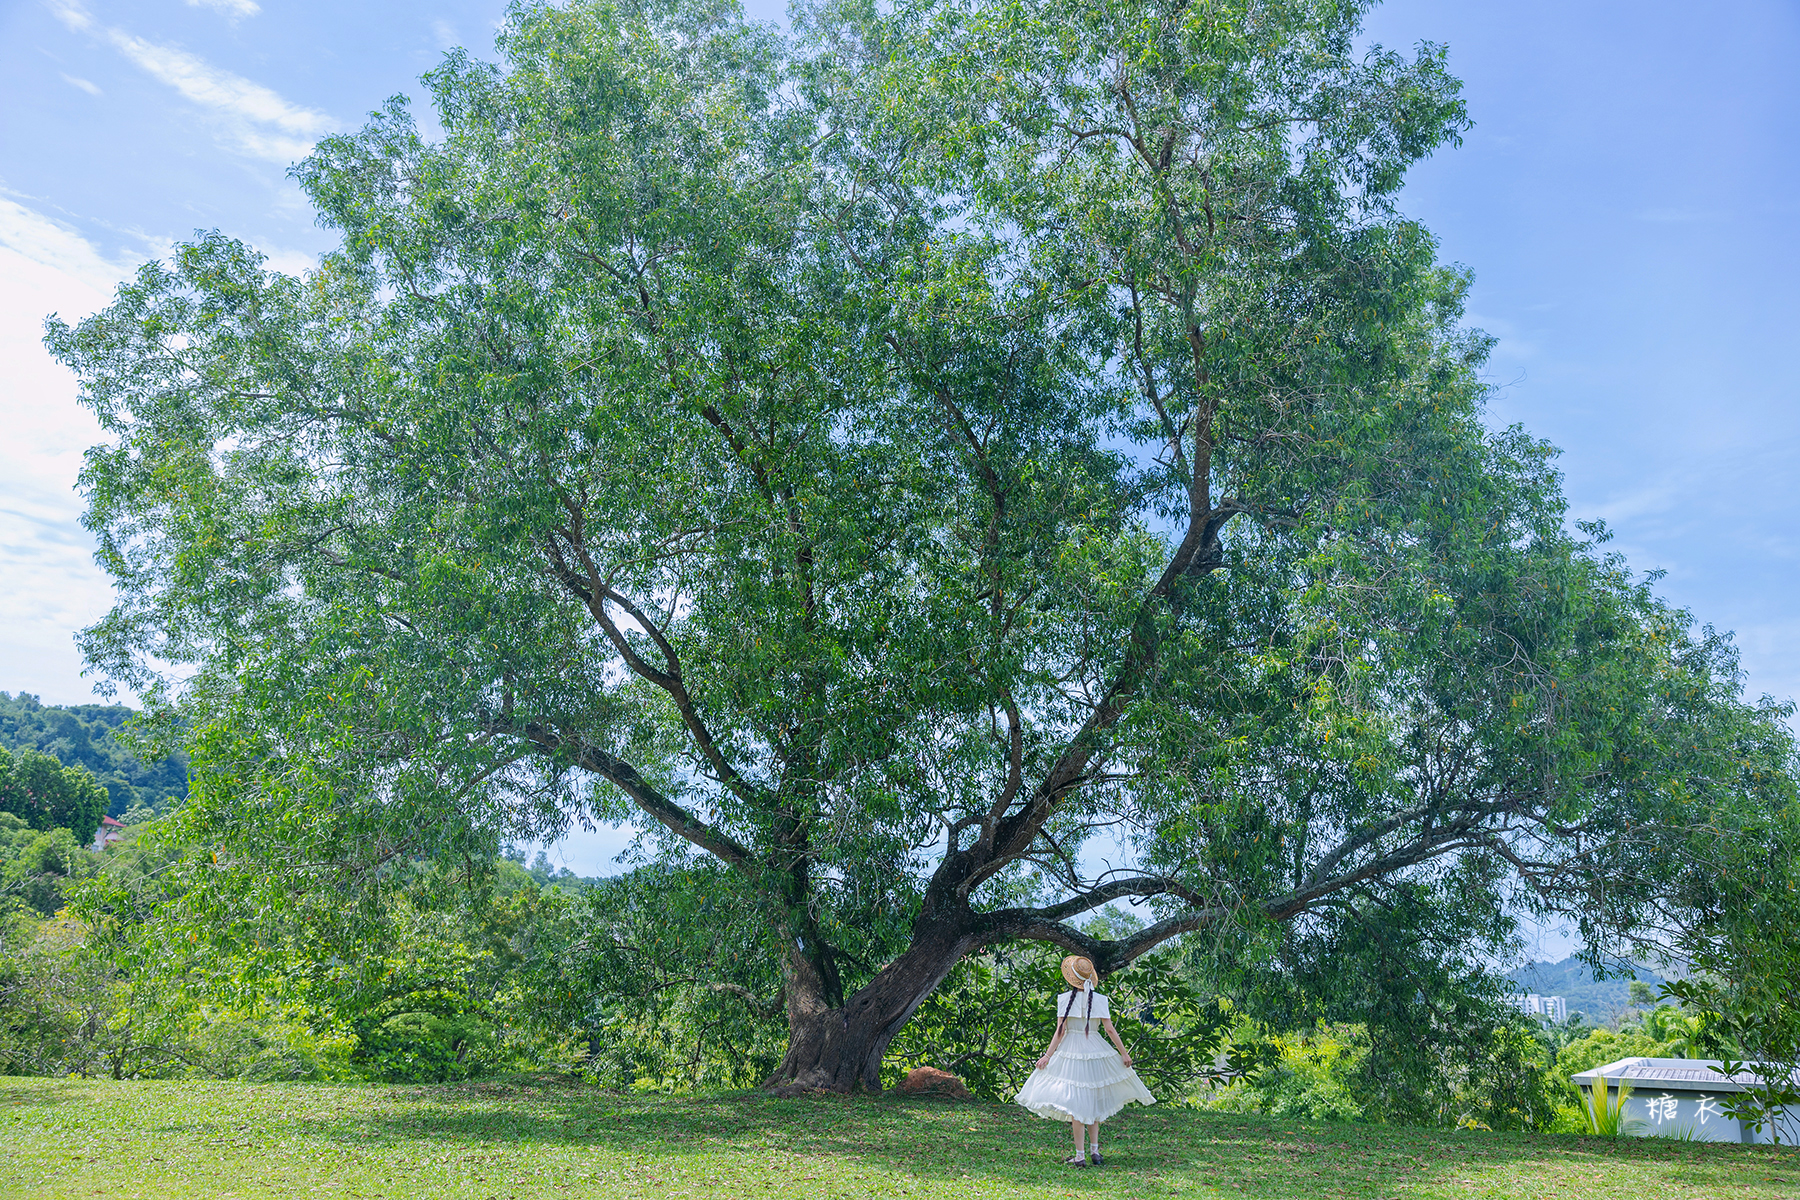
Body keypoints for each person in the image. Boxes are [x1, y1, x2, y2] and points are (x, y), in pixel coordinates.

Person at [1014, 955, 1156, 1166]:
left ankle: (1080, 1155)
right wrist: (1124, 1053)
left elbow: (1060, 1032)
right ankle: (1095, 1152)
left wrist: (1048, 1055)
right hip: (1095, 1050)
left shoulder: (1064, 999)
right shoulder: (1100, 999)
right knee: (1092, 1101)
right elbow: (1109, 1029)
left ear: (1071, 978)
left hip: (1071, 1051)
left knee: (1076, 1105)